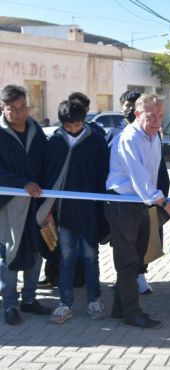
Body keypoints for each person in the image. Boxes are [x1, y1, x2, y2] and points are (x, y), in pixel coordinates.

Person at [105, 93, 170, 329]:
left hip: (142, 203)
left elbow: (153, 175)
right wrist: (165, 204)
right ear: (138, 114)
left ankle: (120, 308)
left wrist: (157, 200)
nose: (157, 120)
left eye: (161, 115)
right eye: (151, 116)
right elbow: (139, 178)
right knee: (128, 261)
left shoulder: (155, 137)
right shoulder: (129, 138)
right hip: (123, 204)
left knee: (137, 258)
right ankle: (132, 313)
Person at [40, 99, 109, 324]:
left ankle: (94, 301)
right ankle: (65, 304)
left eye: (77, 124)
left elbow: (103, 176)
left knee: (91, 257)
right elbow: (48, 175)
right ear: (62, 123)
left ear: (84, 120)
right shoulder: (54, 143)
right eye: (68, 126)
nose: (73, 129)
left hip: (90, 211)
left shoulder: (97, 142)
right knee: (66, 258)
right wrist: (48, 208)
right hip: (63, 213)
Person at [0, 84, 52, 325]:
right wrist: (23, 183)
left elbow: (47, 161)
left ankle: (29, 300)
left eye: (23, 108)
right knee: (9, 255)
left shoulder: (35, 129)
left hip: (36, 204)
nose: (19, 113)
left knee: (36, 251)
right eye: (13, 109)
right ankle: (9, 304)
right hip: (8, 207)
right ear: (3, 108)